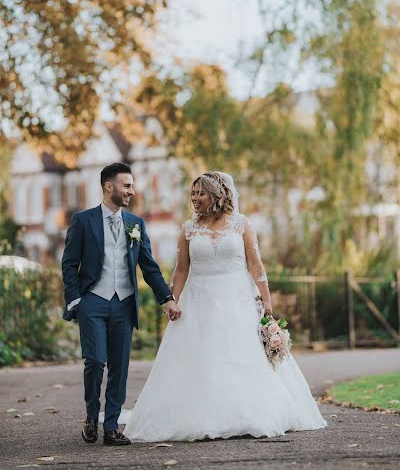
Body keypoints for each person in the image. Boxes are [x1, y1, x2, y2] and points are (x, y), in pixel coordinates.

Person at [123, 171, 326, 442]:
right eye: (193, 193)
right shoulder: (188, 229)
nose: (195, 198)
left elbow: (256, 265)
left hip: (238, 300)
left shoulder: (242, 225)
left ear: (217, 195)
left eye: (201, 193)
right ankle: (200, 416)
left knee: (241, 357)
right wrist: (172, 300)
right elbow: (181, 271)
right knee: (202, 358)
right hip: (199, 303)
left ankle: (249, 413)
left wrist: (267, 303)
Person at [61, 162, 180, 446]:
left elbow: (149, 266)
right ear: (108, 186)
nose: (132, 191)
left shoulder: (135, 224)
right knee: (95, 360)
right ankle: (92, 415)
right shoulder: (82, 220)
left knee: (119, 366)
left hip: (124, 304)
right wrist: (76, 299)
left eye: (132, 185)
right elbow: (69, 264)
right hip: (93, 302)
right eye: (127, 185)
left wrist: (167, 297)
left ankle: (111, 426)